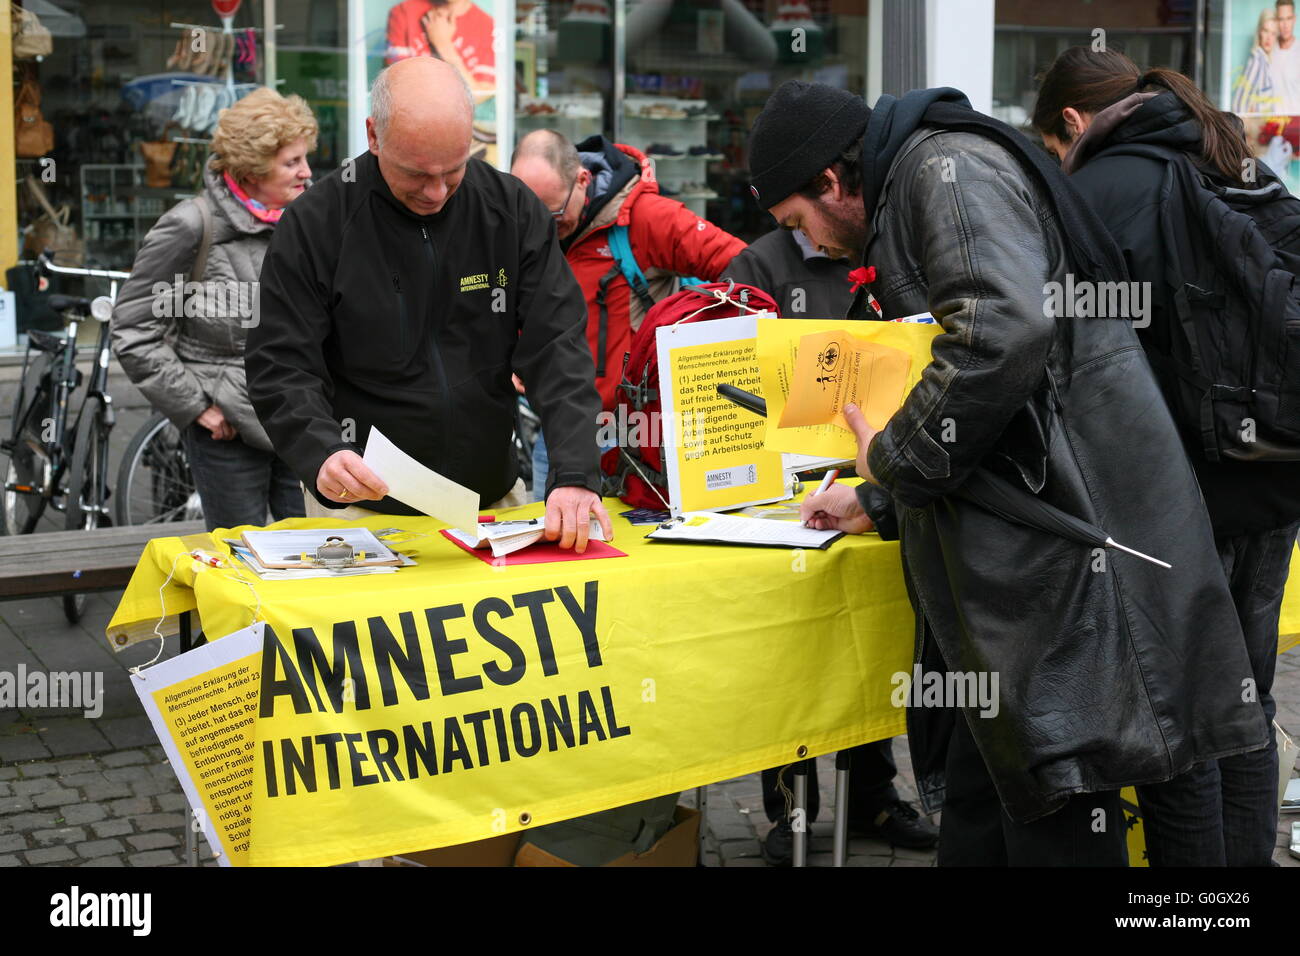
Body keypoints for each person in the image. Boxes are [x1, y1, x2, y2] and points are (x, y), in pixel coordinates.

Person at [748, 80, 1269, 865]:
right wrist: (882, 498)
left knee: (1110, 783)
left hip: (1077, 549)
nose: (813, 246)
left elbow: (1002, 329)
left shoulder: (941, 169)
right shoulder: (933, 169)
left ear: (831, 180)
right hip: (1075, 536)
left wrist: (893, 458)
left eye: (799, 222)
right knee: (1129, 771)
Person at [1034, 47, 1300, 866]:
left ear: (1073, 123)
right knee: (1246, 707)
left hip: (1176, 502)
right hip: (1275, 476)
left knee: (1179, 726)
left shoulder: (1097, 194)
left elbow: (1053, 360)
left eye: (1051, 145)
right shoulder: (1236, 164)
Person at [246, 57, 611, 552]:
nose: (436, 192)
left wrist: (573, 471)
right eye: (416, 174)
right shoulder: (317, 224)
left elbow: (557, 346)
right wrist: (321, 452)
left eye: (454, 169)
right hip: (361, 510)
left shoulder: (511, 210)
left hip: (491, 503)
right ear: (374, 137)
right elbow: (281, 362)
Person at [725, 231, 939, 864]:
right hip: (783, 490)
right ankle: (791, 811)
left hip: (876, 482)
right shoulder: (759, 262)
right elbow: (727, 364)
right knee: (788, 658)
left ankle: (874, 796)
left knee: (865, 649)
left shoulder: (894, 250)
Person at [112, 88, 313, 532]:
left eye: (304, 158)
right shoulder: (191, 226)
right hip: (229, 431)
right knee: (241, 564)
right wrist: (198, 407)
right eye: (291, 162)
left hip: (299, 422)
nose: (307, 172)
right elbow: (133, 330)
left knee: (317, 555)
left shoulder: (303, 222)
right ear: (252, 168)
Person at [510, 130, 746, 496]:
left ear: (582, 181)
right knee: (551, 550)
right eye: (530, 213)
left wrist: (693, 341)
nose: (542, 226)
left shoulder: (645, 218)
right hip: (554, 430)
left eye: (554, 214)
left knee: (631, 550)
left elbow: (745, 270)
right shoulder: (525, 226)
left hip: (628, 433)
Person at [385, 0, 495, 96]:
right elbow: (397, 89)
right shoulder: (403, 12)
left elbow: (478, 95)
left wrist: (443, 45)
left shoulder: (488, 26)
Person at [1233, 8, 1278, 114]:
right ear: (1259, 32)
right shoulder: (1257, 61)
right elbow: (1238, 104)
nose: (1269, 38)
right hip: (1258, 130)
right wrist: (1247, 128)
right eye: (1266, 31)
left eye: (1273, 33)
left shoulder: (1266, 62)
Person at [1273, 0, 1300, 111]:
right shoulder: (1268, 50)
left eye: (1288, 19)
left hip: (1296, 123)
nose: (1285, 25)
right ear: (1275, 21)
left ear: (1294, 19)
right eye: (1281, 19)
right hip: (1270, 123)